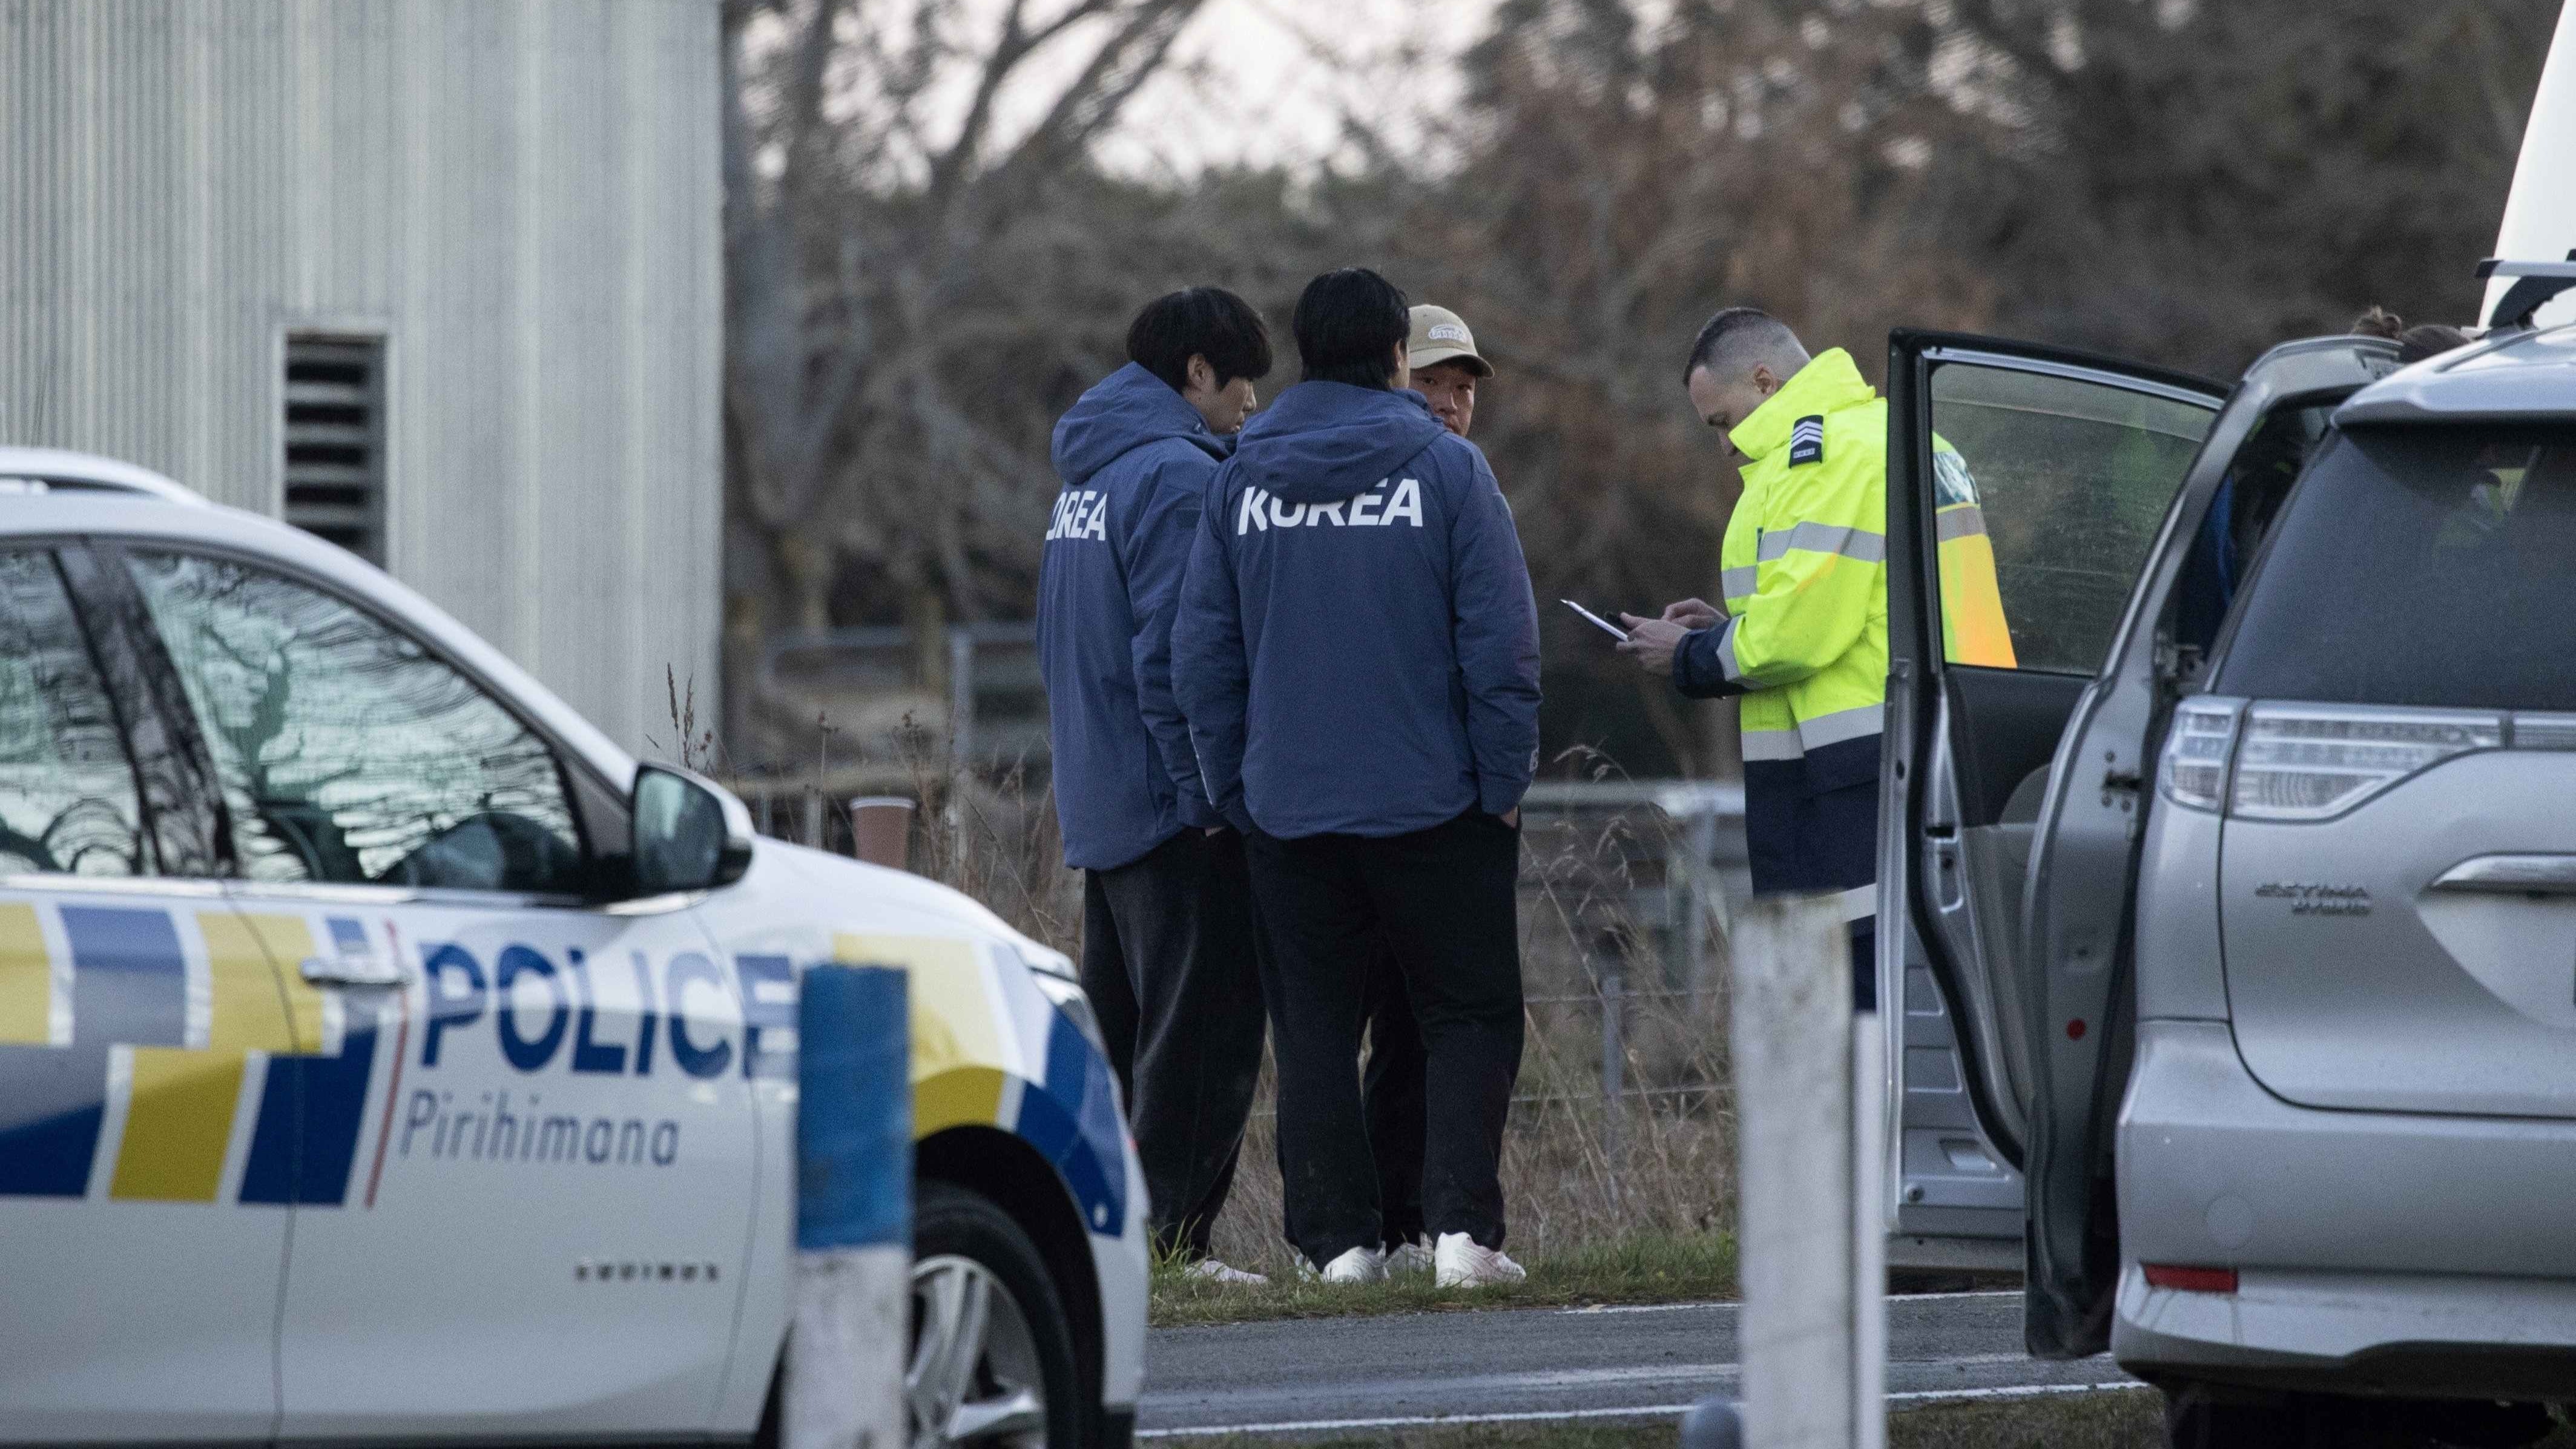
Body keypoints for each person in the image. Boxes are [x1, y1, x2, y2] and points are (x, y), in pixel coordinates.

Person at [1173, 268, 1543, 1287]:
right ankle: (1462, 1234)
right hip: (1439, 806)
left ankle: (1339, 1247)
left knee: (1317, 1030)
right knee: (1466, 1013)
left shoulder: (1240, 478)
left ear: (1300, 354)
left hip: (1289, 813)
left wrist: (1237, 789)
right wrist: (1500, 783)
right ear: (1394, 358)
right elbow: (1503, 651)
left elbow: (1203, 656)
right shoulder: (1450, 473)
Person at [1615, 308, 1973, 1008]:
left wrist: (1692, 653)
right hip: (1929, 760)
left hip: (1859, 785)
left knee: (1866, 1019)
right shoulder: (1907, 436)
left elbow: (1799, 635)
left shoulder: (1826, 455)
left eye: (1721, 423)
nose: (1724, 449)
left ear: (1764, 381)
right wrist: (1730, 631)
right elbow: (1864, 611)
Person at [1036, 286, 1273, 1283]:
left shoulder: (1085, 479)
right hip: (1176, 807)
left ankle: (1107, 1239)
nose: (1254, 402)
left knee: (1123, 1034)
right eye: (1242, 376)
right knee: (1205, 1031)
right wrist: (1214, 798)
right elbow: (1182, 658)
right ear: (1196, 373)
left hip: (1102, 798)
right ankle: (1173, 1244)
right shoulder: (1177, 476)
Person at [1345, 303, 1499, 1275]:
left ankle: (1403, 1230)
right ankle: (1394, 1229)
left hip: (1430, 794)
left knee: (1412, 1026)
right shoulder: (1384, 494)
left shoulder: (1462, 485)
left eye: (1465, 386)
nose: (1450, 402)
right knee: (1386, 1023)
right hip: (1395, 802)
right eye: (1432, 381)